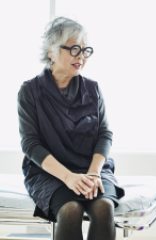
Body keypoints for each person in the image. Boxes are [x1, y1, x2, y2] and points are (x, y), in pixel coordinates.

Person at [17, 17, 124, 240]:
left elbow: (105, 134)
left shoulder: (92, 89)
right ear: (51, 52)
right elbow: (31, 144)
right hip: (49, 172)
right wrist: (68, 177)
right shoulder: (30, 92)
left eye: (85, 50)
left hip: (91, 168)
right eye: (74, 49)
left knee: (104, 208)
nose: (81, 56)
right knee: (70, 210)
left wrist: (93, 173)